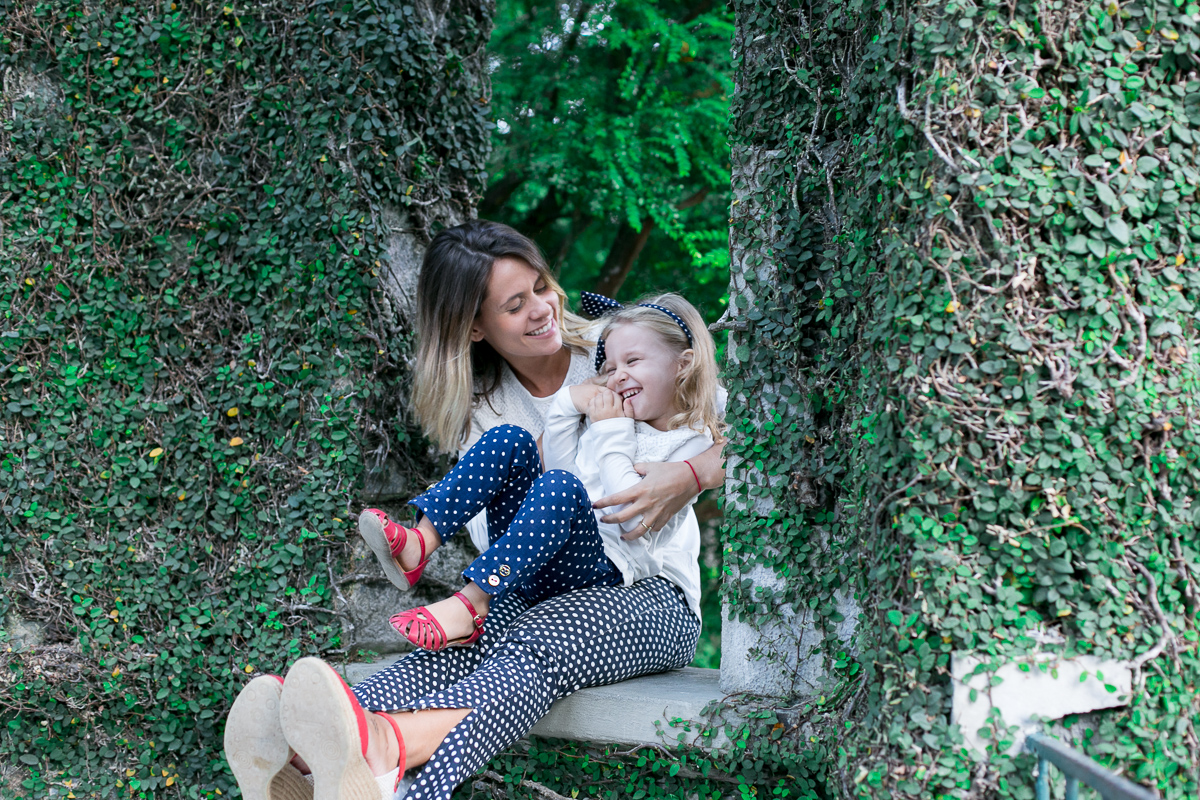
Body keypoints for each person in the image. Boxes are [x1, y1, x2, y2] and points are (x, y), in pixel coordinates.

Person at [222, 221, 726, 800]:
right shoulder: (491, 408)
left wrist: (692, 473)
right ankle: (307, 762)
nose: (543, 309)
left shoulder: (617, 349)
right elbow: (504, 536)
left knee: (534, 639)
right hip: (534, 581)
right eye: (515, 305)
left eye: (541, 286)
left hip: (648, 592)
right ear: (474, 328)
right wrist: (562, 428)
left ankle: (387, 755)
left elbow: (755, 431)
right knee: (450, 654)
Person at [368, 292, 723, 652]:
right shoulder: (617, 418)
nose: (618, 377)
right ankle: (420, 541)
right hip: (545, 552)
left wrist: (611, 431)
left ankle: (474, 600)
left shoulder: (689, 440)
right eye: (609, 369)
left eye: (632, 361)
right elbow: (558, 469)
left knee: (559, 486)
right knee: (509, 438)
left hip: (602, 569)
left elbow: (630, 520)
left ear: (683, 364)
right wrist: (570, 402)